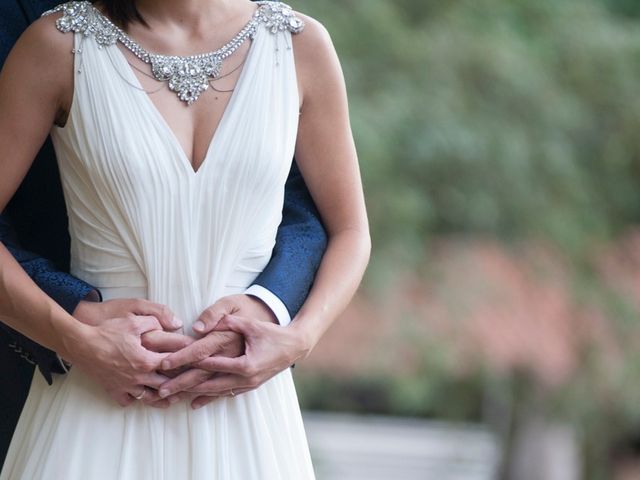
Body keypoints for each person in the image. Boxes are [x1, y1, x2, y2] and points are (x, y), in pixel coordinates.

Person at [0, 0, 370, 478]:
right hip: (96, 400)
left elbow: (351, 230)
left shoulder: (300, 45)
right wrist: (75, 339)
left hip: (250, 412)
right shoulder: (59, 44)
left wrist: (298, 338)